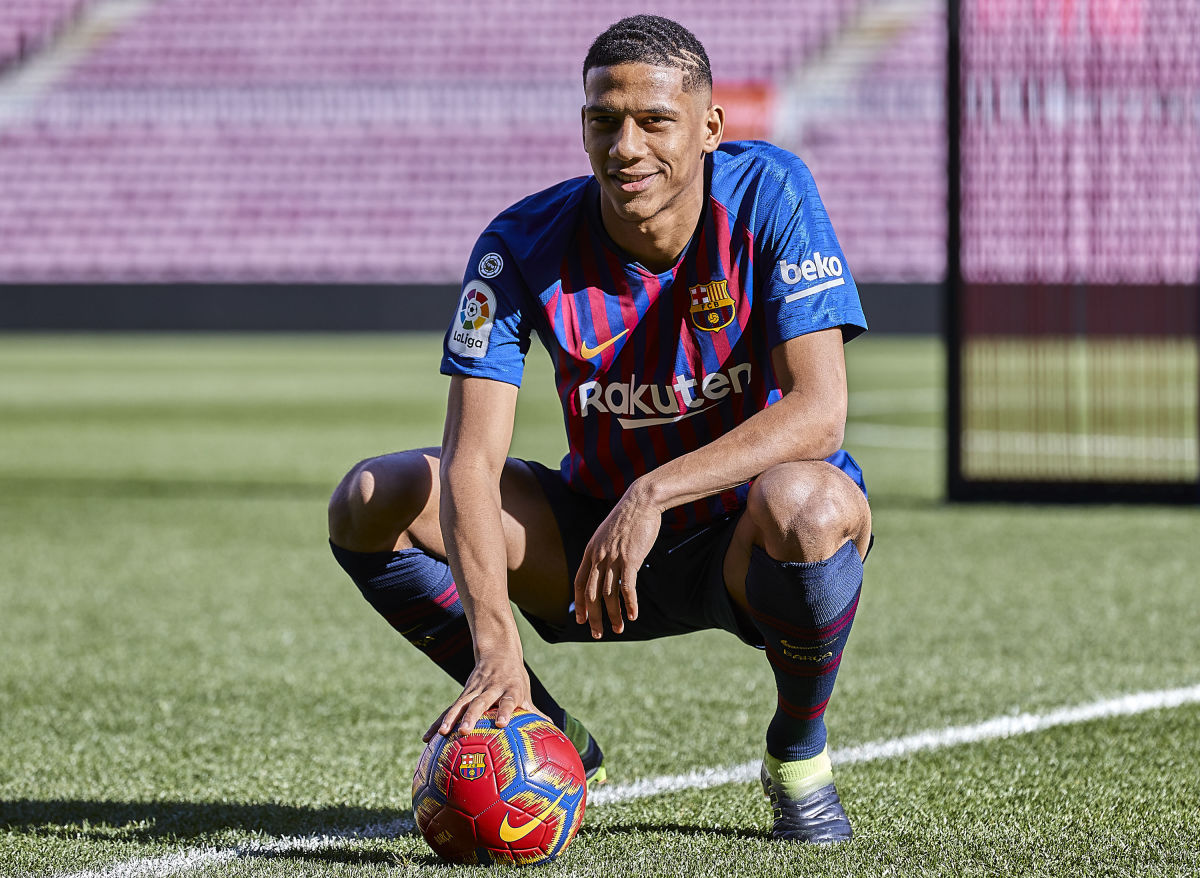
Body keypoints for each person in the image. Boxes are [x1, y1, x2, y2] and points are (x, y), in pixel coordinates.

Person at [327, 14, 872, 844]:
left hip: (736, 532)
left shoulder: (772, 193)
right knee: (374, 497)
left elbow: (819, 410)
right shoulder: (518, 244)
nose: (625, 146)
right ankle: (548, 728)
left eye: (655, 121)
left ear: (711, 128)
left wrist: (654, 491)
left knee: (813, 505)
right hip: (590, 545)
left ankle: (797, 754)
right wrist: (494, 643)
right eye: (603, 120)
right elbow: (471, 461)